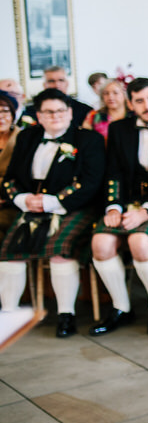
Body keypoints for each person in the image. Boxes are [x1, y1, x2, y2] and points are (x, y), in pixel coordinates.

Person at [0, 89, 104, 335]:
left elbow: (91, 183)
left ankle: (66, 315)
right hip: (30, 207)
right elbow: (11, 177)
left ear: (70, 113)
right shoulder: (27, 137)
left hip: (72, 206)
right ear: (38, 115)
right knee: (11, 251)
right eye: (48, 112)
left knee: (60, 252)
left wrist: (53, 201)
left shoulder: (89, 140)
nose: (55, 116)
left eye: (60, 110)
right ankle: (8, 315)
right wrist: (22, 198)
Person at [88, 78, 148, 336]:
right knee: (100, 243)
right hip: (124, 203)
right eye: (140, 100)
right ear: (130, 103)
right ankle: (121, 307)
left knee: (140, 243)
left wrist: (147, 210)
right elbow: (114, 172)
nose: (147, 105)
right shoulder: (119, 129)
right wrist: (112, 207)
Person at [22, 66, 93, 128]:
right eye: (51, 81)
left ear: (67, 83)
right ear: (44, 85)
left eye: (61, 80)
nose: (57, 85)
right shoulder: (30, 111)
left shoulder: (85, 110)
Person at [0, 92, 22, 242]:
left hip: (12, 202)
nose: (0, 116)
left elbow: (26, 178)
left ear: (13, 113)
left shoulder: (23, 138)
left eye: (4, 111)